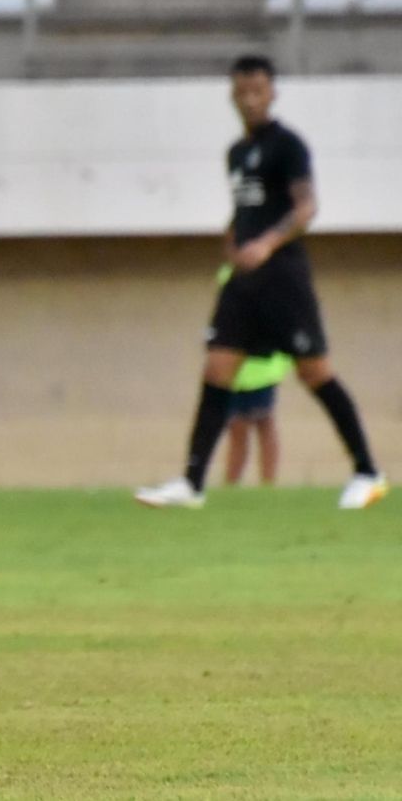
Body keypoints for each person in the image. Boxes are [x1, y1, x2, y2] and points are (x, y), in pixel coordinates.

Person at [136, 55, 387, 511]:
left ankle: (368, 472)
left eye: (258, 90)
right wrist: (233, 235)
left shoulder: (288, 145)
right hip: (244, 280)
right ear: (232, 96)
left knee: (315, 372)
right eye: (242, 91)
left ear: (272, 93)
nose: (249, 99)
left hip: (283, 275)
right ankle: (192, 483)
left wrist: (267, 244)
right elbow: (251, 208)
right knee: (217, 368)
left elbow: (306, 206)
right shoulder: (236, 152)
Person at [223, 351, 291, 487]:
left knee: (259, 424)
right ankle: (232, 484)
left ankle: (265, 482)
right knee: (241, 429)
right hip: (240, 372)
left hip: (257, 370)